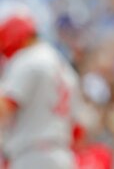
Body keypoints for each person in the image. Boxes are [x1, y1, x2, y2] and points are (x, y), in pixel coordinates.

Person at [0, 13, 82, 169]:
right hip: (63, 155)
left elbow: (5, 107)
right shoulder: (65, 68)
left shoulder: (28, 59)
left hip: (32, 155)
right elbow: (78, 130)